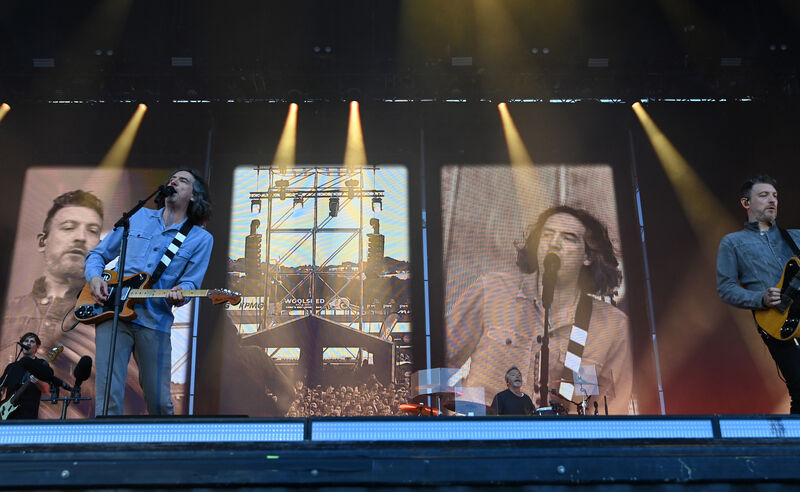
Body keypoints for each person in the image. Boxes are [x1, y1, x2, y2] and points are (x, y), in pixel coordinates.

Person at [446, 205, 633, 414]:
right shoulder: (492, 291)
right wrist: (434, 415)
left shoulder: (613, 326)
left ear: (588, 256)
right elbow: (436, 360)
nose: (554, 243)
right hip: (481, 438)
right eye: (547, 235)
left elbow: (612, 410)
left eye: (568, 238)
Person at [85, 168, 213, 416]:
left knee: (159, 402)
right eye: (171, 178)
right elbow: (98, 254)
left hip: (155, 320)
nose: (173, 181)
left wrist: (181, 292)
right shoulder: (137, 217)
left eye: (182, 180)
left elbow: (191, 284)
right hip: (112, 314)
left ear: (194, 196)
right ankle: (105, 450)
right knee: (108, 395)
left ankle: (162, 451)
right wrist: (94, 278)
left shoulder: (201, 239)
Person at [717, 174, 800, 414]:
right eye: (763, 195)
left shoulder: (795, 237)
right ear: (746, 203)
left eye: (775, 196)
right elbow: (726, 288)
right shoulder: (733, 243)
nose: (772, 200)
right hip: (777, 321)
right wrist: (759, 299)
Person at [1, 190, 104, 366]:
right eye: (68, 227)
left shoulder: (109, 319)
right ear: (43, 241)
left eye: (92, 231)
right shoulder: (7, 311)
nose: (80, 237)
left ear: (100, 249)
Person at [0, 333, 52, 419]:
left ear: (37, 347)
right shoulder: (12, 367)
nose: (28, 343)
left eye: (32, 342)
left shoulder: (41, 365)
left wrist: (37, 381)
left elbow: (46, 388)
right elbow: (2, 388)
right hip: (8, 416)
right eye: (26, 341)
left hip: (28, 415)